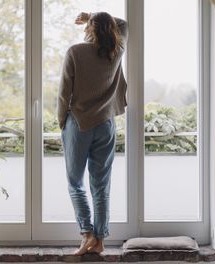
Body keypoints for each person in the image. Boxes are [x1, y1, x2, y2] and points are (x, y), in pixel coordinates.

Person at [57, 12, 128, 256]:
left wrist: (61, 123)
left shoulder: (76, 52)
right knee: (100, 185)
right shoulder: (116, 51)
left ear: (91, 29)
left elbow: (64, 93)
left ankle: (86, 234)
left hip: (79, 124)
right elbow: (123, 24)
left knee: (75, 182)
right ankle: (99, 241)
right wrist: (93, 16)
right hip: (106, 124)